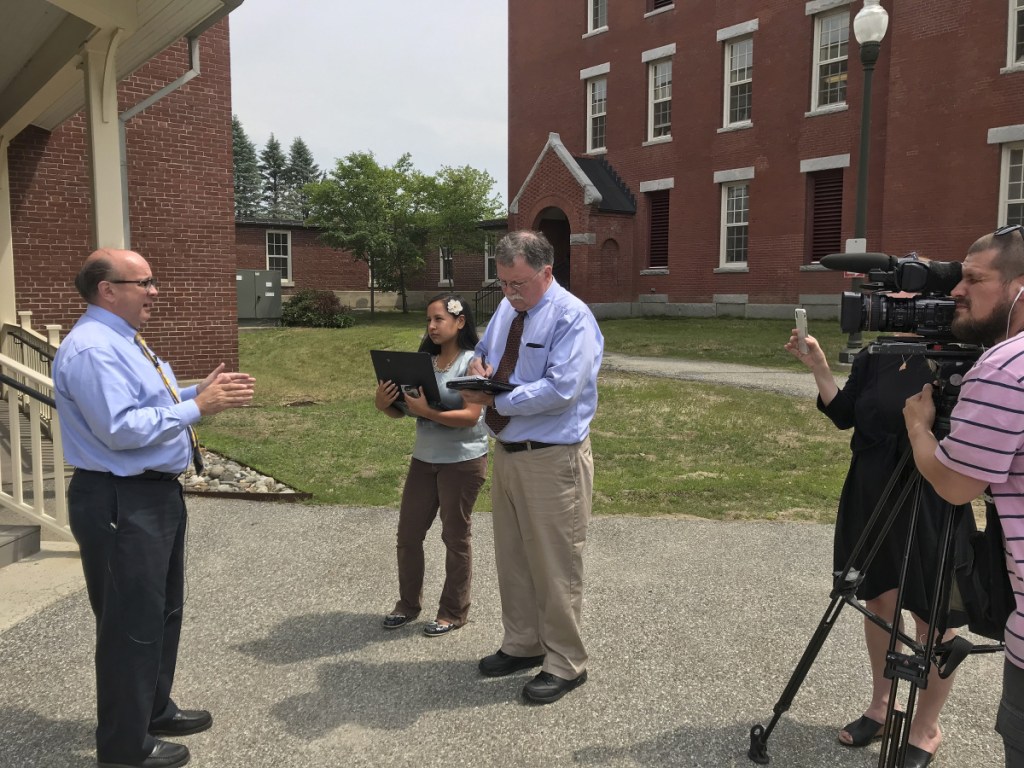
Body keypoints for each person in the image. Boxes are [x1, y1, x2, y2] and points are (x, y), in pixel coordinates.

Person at [53, 248, 255, 768]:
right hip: (120, 500)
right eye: (143, 282)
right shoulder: (93, 350)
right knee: (128, 624)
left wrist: (196, 392)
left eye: (152, 280)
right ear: (107, 289)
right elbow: (118, 429)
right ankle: (124, 748)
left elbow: (148, 406)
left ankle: (152, 708)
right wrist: (197, 407)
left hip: (153, 496)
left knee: (161, 612)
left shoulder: (122, 340)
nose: (154, 291)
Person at [786, 321, 974, 768]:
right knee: (878, 600)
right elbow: (845, 413)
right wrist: (819, 367)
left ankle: (926, 727)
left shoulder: (957, 358)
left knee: (931, 613)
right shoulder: (877, 354)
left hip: (928, 494)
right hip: (870, 492)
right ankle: (883, 706)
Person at [459, 230, 603, 705]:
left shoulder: (572, 317)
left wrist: (496, 396)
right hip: (509, 453)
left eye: (518, 283)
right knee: (514, 558)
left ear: (546, 272)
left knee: (556, 565)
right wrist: (480, 368)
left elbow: (561, 389)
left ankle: (565, 661)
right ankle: (523, 643)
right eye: (502, 283)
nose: (509, 292)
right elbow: (487, 354)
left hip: (552, 459)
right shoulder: (509, 309)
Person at [904, 225, 1024, 768]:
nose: (956, 291)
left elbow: (954, 483)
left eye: (975, 279)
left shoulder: (1003, 367)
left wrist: (920, 428)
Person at [374, 292, 489, 636]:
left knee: (455, 538)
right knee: (408, 535)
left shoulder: (472, 362)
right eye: (428, 320)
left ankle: (453, 611)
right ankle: (407, 605)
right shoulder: (422, 361)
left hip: (463, 462)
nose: (432, 326)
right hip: (424, 460)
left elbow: (471, 416)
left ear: (460, 321)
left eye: (439, 319)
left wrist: (428, 412)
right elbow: (402, 411)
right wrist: (384, 404)